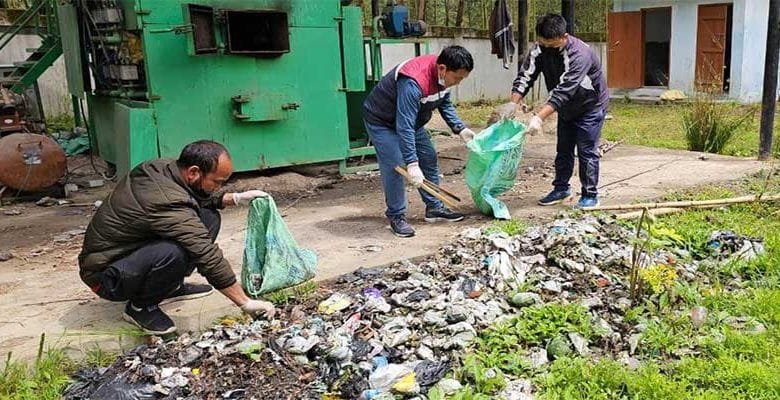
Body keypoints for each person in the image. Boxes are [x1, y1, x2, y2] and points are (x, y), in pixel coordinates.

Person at [78, 140, 276, 335]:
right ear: (193, 172)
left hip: (128, 256)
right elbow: (206, 253)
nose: (219, 186)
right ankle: (140, 307)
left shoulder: (161, 168)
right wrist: (244, 302)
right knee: (175, 251)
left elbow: (191, 195)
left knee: (208, 217)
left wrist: (233, 198)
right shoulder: (166, 201)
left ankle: (169, 287)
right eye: (217, 182)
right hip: (106, 277)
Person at [363, 45, 476, 237]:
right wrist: (412, 163)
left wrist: (460, 128)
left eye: (462, 79)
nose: (458, 83)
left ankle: (434, 208)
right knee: (396, 165)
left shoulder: (443, 77)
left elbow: (444, 102)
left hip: (411, 121)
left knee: (428, 157)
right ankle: (396, 216)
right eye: (457, 78)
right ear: (442, 69)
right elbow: (404, 126)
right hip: (382, 121)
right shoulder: (413, 81)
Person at [500, 13, 609, 209]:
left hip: (590, 107)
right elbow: (526, 76)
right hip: (566, 108)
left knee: (586, 151)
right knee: (563, 149)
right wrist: (513, 104)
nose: (547, 48)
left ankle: (590, 195)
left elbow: (565, 90)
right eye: (543, 43)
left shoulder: (579, 54)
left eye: (551, 44)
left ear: (564, 36)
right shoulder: (540, 48)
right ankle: (561, 189)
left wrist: (539, 118)